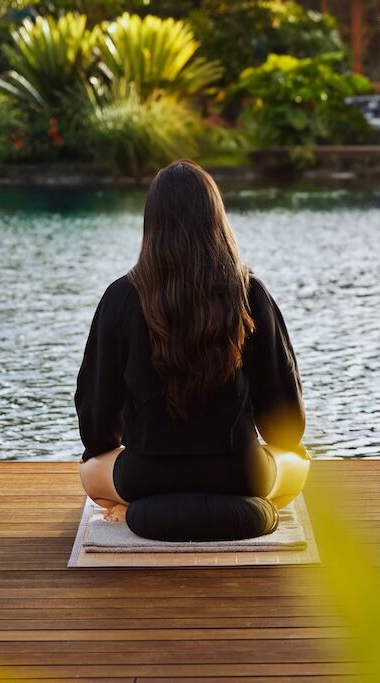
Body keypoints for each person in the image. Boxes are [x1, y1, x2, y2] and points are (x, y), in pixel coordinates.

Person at [76, 160, 309, 542]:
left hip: (145, 476)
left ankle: (137, 509)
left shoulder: (120, 297)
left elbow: (97, 428)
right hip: (241, 474)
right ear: (217, 219)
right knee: (298, 461)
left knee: (89, 473)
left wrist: (114, 449)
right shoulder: (250, 294)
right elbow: (287, 426)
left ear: (151, 224)